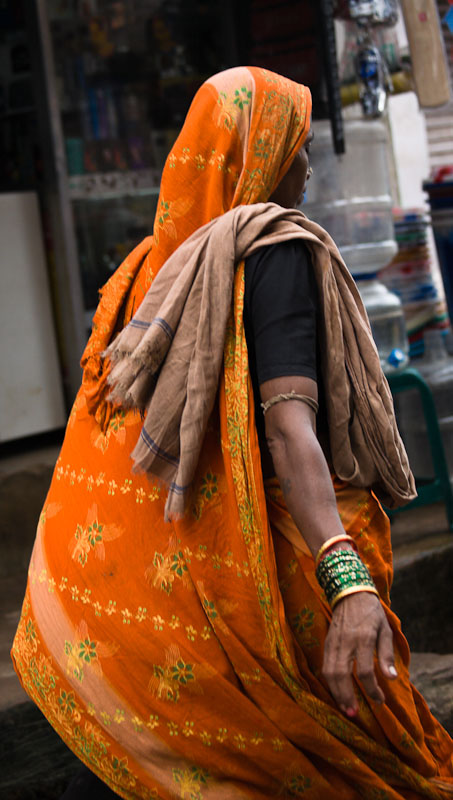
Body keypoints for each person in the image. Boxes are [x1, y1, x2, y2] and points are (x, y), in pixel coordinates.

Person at [11, 66, 453, 800]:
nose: (307, 167)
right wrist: (345, 582)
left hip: (140, 607)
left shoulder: (146, 269)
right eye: (296, 147)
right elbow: (286, 429)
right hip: (256, 587)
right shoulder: (271, 251)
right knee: (369, 767)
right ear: (258, 158)